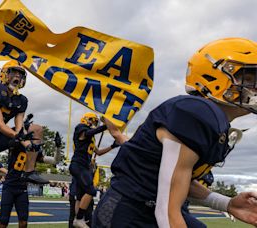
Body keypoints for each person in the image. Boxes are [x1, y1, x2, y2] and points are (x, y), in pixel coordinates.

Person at [93, 38, 257, 227]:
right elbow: (166, 211)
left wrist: (227, 203)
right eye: (250, 78)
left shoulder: (212, 120)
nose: (254, 87)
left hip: (142, 207)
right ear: (215, 76)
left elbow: (177, 183)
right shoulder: (196, 112)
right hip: (127, 211)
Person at [0, 124, 62, 228]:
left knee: (23, 223)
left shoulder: (35, 152)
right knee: (3, 224)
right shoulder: (16, 144)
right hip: (9, 187)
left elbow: (55, 160)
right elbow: (12, 138)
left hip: (22, 188)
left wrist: (58, 147)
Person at [70, 112, 121, 228]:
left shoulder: (90, 138)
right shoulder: (80, 128)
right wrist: (106, 125)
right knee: (91, 191)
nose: (94, 124)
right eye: (93, 121)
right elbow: (89, 132)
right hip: (78, 165)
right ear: (86, 119)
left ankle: (78, 219)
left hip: (83, 166)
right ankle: (78, 219)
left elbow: (98, 152)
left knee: (80, 195)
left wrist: (112, 146)